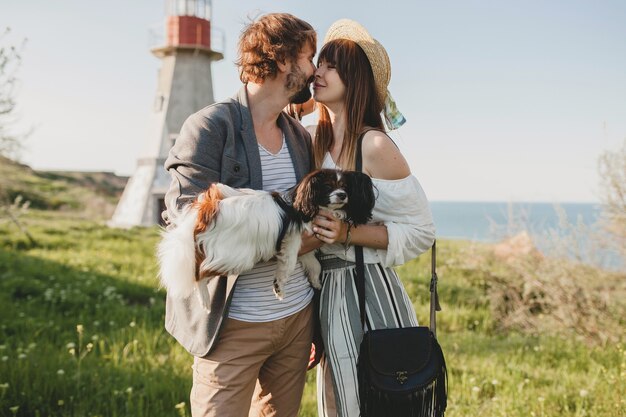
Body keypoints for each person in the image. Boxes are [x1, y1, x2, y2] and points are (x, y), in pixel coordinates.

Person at [161, 13, 319, 417]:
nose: (314, 69)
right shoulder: (210, 126)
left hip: (296, 318)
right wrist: (283, 234)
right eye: (308, 56)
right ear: (283, 60)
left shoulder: (300, 138)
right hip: (232, 325)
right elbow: (185, 223)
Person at [306, 19, 436, 417]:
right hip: (322, 295)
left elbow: (421, 232)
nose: (317, 72)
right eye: (319, 63)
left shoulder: (375, 145)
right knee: (338, 402)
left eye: (331, 65)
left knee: (378, 402)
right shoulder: (313, 139)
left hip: (369, 296)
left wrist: (348, 232)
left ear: (356, 77)